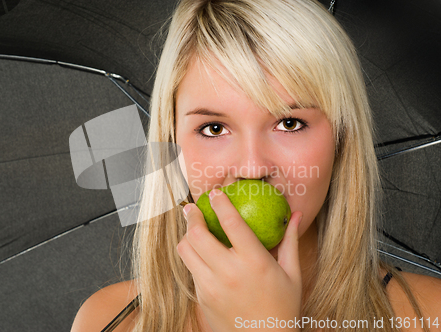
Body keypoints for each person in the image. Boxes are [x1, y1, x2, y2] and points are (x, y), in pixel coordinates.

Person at [71, 0, 441, 331]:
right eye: (213, 128)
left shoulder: (429, 316)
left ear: (342, 139)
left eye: (289, 123)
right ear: (172, 144)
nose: (251, 168)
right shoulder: (109, 320)